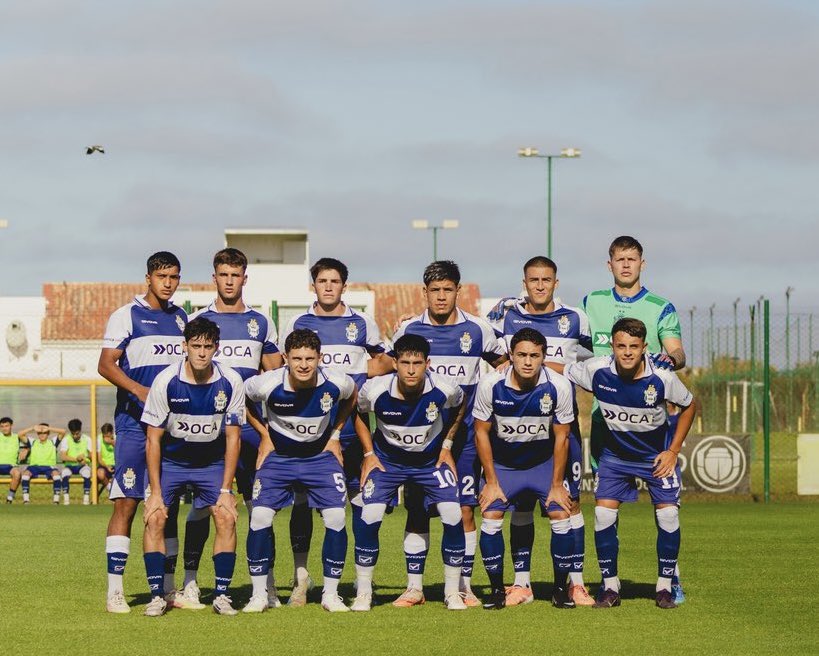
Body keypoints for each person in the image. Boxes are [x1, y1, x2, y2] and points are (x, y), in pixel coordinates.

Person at [170, 247, 283, 611]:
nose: (230, 281)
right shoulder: (198, 320)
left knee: (258, 506)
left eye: (236, 275)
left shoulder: (261, 322)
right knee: (203, 508)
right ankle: (190, 583)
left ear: (244, 279)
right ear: (214, 277)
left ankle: (265, 585)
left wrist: (269, 428)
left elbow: (274, 374)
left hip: (250, 429)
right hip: (209, 428)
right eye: (223, 274)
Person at [391, 260, 506, 606]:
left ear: (458, 290)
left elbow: (504, 365)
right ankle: (415, 588)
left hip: (466, 437)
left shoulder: (479, 330)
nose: (441, 297)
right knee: (417, 509)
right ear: (424, 292)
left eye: (448, 290)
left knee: (465, 509)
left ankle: (463, 586)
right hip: (420, 440)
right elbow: (389, 369)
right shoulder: (407, 330)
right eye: (435, 290)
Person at [278, 257, 392, 605]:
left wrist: (364, 373)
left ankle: (360, 581)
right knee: (302, 503)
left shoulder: (362, 323)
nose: (328, 286)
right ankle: (301, 576)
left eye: (335, 281)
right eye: (322, 280)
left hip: (352, 431)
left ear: (345, 285)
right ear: (313, 285)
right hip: (308, 433)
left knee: (359, 503)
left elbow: (386, 360)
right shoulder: (298, 322)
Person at [561, 318, 695, 609]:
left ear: (645, 347)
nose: (627, 352)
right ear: (613, 345)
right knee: (602, 516)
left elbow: (689, 405)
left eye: (634, 346)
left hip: (655, 457)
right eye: (621, 346)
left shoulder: (662, 377)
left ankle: (664, 587)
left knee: (669, 515)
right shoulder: (597, 369)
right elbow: (563, 369)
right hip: (616, 458)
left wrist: (673, 450)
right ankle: (610, 587)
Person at [582, 236, 688, 602]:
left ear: (643, 263)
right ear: (608, 264)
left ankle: (669, 579)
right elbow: (565, 342)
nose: (626, 264)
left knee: (667, 512)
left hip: (650, 427)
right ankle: (609, 582)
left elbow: (676, 350)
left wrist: (668, 361)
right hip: (605, 427)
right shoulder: (590, 302)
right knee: (606, 511)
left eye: (632, 259)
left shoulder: (661, 307)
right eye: (619, 259)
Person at [487, 256, 594, 606]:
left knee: (569, 501)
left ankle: (575, 582)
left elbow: (596, 362)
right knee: (519, 503)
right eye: (533, 280)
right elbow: (481, 343)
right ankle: (522, 584)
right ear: (524, 281)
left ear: (556, 283)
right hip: (517, 423)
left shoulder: (576, 318)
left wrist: (559, 367)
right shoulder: (505, 313)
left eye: (546, 280)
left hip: (561, 423)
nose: (539, 285)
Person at [241, 328, 357, 613]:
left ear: (320, 357)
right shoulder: (266, 384)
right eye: (296, 359)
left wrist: (335, 434)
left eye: (309, 358)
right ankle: (259, 595)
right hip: (279, 458)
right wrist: (264, 434)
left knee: (335, 517)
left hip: (319, 458)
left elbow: (352, 396)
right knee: (259, 516)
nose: (303, 364)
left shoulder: (337, 383)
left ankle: (331, 595)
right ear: (285, 359)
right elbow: (240, 399)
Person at [350, 334, 468, 612]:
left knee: (453, 514)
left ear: (428, 363)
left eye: (417, 363)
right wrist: (368, 454)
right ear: (396, 363)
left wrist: (447, 444)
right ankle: (364, 592)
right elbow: (356, 411)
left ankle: (453, 592)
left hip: (430, 463)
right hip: (388, 463)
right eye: (405, 363)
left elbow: (461, 404)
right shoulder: (375, 389)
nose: (411, 370)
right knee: (370, 515)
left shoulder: (444, 387)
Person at [98, 251, 187, 613]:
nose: (168, 283)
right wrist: (139, 391)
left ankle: (166, 589)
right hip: (135, 425)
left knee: (168, 505)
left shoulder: (182, 318)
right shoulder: (126, 315)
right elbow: (105, 365)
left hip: (172, 429)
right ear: (148, 278)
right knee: (127, 503)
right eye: (162, 276)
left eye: (174, 277)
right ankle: (115, 590)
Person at [141, 317, 245, 617]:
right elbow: (153, 440)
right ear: (184, 346)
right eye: (195, 346)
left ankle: (222, 595)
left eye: (207, 347)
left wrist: (226, 490)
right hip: (172, 463)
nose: (201, 353)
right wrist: (156, 492)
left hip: (210, 464)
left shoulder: (231, 382)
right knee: (156, 517)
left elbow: (233, 439)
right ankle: (157, 595)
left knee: (226, 516)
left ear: (217, 348)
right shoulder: (165, 381)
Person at [475, 328, 576, 610]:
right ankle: (497, 591)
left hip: (542, 465)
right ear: (511, 356)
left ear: (544, 357)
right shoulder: (490, 385)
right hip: (505, 466)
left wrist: (557, 484)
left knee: (561, 513)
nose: (528, 361)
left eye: (534, 355)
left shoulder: (559, 386)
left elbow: (562, 437)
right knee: (491, 514)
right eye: (521, 355)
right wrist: (491, 481)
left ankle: (559, 589)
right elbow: (481, 433)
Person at [19, 423, 64, 504]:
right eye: (40, 433)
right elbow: (20, 434)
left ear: (48, 433)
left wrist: (49, 428)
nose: (42, 435)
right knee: (25, 475)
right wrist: (33, 428)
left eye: (44, 433)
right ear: (37, 433)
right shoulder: (33, 442)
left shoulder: (53, 442)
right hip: (34, 467)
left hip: (49, 467)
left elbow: (63, 432)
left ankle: (56, 501)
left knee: (57, 476)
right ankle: (26, 500)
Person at [59, 418, 93, 505]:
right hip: (70, 466)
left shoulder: (87, 439)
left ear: (80, 430)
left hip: (83, 466)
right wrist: (76, 459)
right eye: (73, 434)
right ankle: (66, 501)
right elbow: (63, 456)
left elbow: (92, 455)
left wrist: (84, 458)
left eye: (77, 434)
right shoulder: (66, 439)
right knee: (64, 474)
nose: (75, 436)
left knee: (87, 473)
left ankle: (86, 500)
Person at [1, 417, 29, 503]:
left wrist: (26, 450)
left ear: (11, 426)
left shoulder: (17, 437)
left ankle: (9, 498)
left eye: (6, 426)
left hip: (11, 466)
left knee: (17, 473)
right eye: (2, 426)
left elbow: (31, 444)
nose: (4, 428)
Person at [97, 423, 116, 497]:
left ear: (111, 433)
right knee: (100, 473)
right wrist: (107, 466)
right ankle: (110, 490)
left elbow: (121, 453)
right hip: (104, 465)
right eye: (104, 436)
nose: (105, 438)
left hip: (116, 464)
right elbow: (99, 458)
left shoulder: (117, 437)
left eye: (108, 436)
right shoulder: (99, 439)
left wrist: (112, 443)